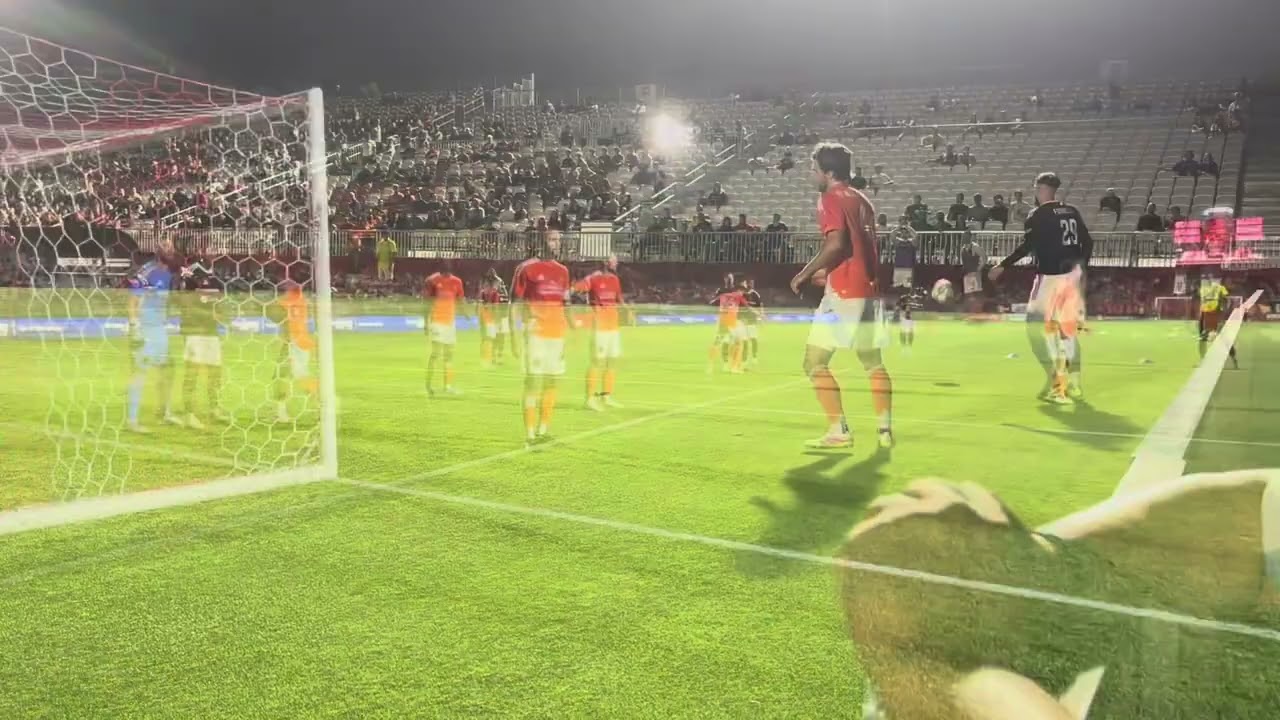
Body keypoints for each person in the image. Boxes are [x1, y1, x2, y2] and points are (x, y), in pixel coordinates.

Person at [789, 142, 893, 450]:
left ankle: (838, 430)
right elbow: (859, 249)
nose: (811, 175)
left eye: (813, 170)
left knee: (814, 362)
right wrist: (832, 273)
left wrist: (804, 274)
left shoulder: (829, 198)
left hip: (844, 295)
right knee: (873, 363)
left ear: (829, 173)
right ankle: (884, 430)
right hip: (868, 292)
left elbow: (836, 245)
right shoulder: (862, 201)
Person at [989, 172, 1093, 403]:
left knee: (1034, 329)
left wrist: (1002, 265)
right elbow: (1088, 242)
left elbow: (1028, 245)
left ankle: (1053, 377)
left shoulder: (1038, 214)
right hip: (1071, 277)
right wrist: (1081, 267)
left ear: (1041, 188)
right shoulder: (1072, 211)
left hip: (1050, 278)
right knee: (1068, 331)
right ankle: (1074, 384)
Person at [512, 231, 571, 446]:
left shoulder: (563, 271)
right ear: (541, 242)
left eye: (558, 240)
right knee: (532, 382)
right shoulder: (526, 268)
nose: (555, 243)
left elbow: (564, 305)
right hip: (535, 333)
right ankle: (529, 433)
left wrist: (567, 334)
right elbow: (515, 304)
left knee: (552, 381)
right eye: (552, 239)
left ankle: (543, 430)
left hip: (556, 334)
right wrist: (514, 337)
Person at [126, 247, 179, 433]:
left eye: (171, 246)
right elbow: (133, 301)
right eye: (167, 246)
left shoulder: (168, 274)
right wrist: (135, 328)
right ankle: (132, 421)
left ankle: (164, 413)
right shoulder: (147, 272)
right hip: (145, 329)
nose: (171, 249)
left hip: (159, 330)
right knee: (139, 373)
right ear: (160, 252)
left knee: (167, 371)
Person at [175, 266, 227, 429]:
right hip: (194, 334)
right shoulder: (188, 281)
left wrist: (219, 314)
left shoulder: (214, 282)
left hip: (211, 334)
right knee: (192, 373)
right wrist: (211, 314)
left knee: (215, 373)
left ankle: (214, 408)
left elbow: (220, 307)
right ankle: (189, 415)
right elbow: (187, 307)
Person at [576, 256, 626, 410]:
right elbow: (576, 289)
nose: (616, 263)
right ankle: (589, 399)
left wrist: (628, 310)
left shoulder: (615, 279)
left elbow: (619, 300)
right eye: (613, 260)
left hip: (613, 326)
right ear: (605, 262)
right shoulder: (593, 278)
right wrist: (590, 307)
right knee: (597, 361)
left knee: (612, 361)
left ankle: (606, 396)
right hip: (599, 326)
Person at [272, 279, 318, 424]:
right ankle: (281, 412)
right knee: (286, 376)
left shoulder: (288, 302)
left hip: (294, 343)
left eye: (286, 290)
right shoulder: (302, 301)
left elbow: (274, 310)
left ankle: (320, 405)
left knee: (288, 377)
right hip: (299, 343)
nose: (284, 292)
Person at [424, 261, 465, 396]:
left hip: (450, 323)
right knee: (435, 354)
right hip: (436, 321)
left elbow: (460, 300)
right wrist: (426, 322)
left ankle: (447, 386)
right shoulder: (432, 281)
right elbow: (427, 303)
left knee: (449, 356)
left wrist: (466, 312)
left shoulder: (457, 282)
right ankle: (428, 385)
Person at [708, 273, 749, 374]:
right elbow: (747, 307)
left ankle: (710, 366)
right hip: (730, 321)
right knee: (738, 343)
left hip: (722, 321)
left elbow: (712, 302)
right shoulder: (738, 296)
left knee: (718, 343)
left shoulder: (723, 295)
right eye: (743, 291)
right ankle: (734, 367)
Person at [1197, 274, 1237, 367]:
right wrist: (1201, 316)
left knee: (1224, 338)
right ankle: (1203, 360)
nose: (1204, 281)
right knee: (1202, 338)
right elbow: (1203, 303)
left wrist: (1225, 310)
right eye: (1203, 279)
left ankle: (1234, 359)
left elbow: (1228, 300)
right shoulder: (1202, 290)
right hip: (1205, 316)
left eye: (1205, 279)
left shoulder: (1219, 288)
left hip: (1216, 314)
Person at [477, 268, 511, 367]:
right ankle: (491, 357)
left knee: (499, 337)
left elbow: (505, 299)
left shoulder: (499, 284)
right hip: (493, 315)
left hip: (500, 314)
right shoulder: (487, 288)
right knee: (492, 337)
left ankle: (497, 357)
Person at [742, 277, 764, 370]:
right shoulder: (743, 294)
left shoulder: (755, 294)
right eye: (750, 283)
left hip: (752, 321)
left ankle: (754, 357)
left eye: (752, 283)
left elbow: (760, 305)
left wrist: (761, 315)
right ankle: (744, 361)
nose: (751, 284)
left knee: (753, 339)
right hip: (744, 321)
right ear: (746, 284)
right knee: (745, 342)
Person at [890, 217, 916, 289]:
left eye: (906, 232)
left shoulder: (911, 241)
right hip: (899, 266)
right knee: (897, 285)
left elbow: (915, 236)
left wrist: (908, 227)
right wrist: (899, 227)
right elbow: (892, 235)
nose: (904, 234)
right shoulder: (898, 241)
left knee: (908, 285)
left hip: (908, 267)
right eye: (902, 232)